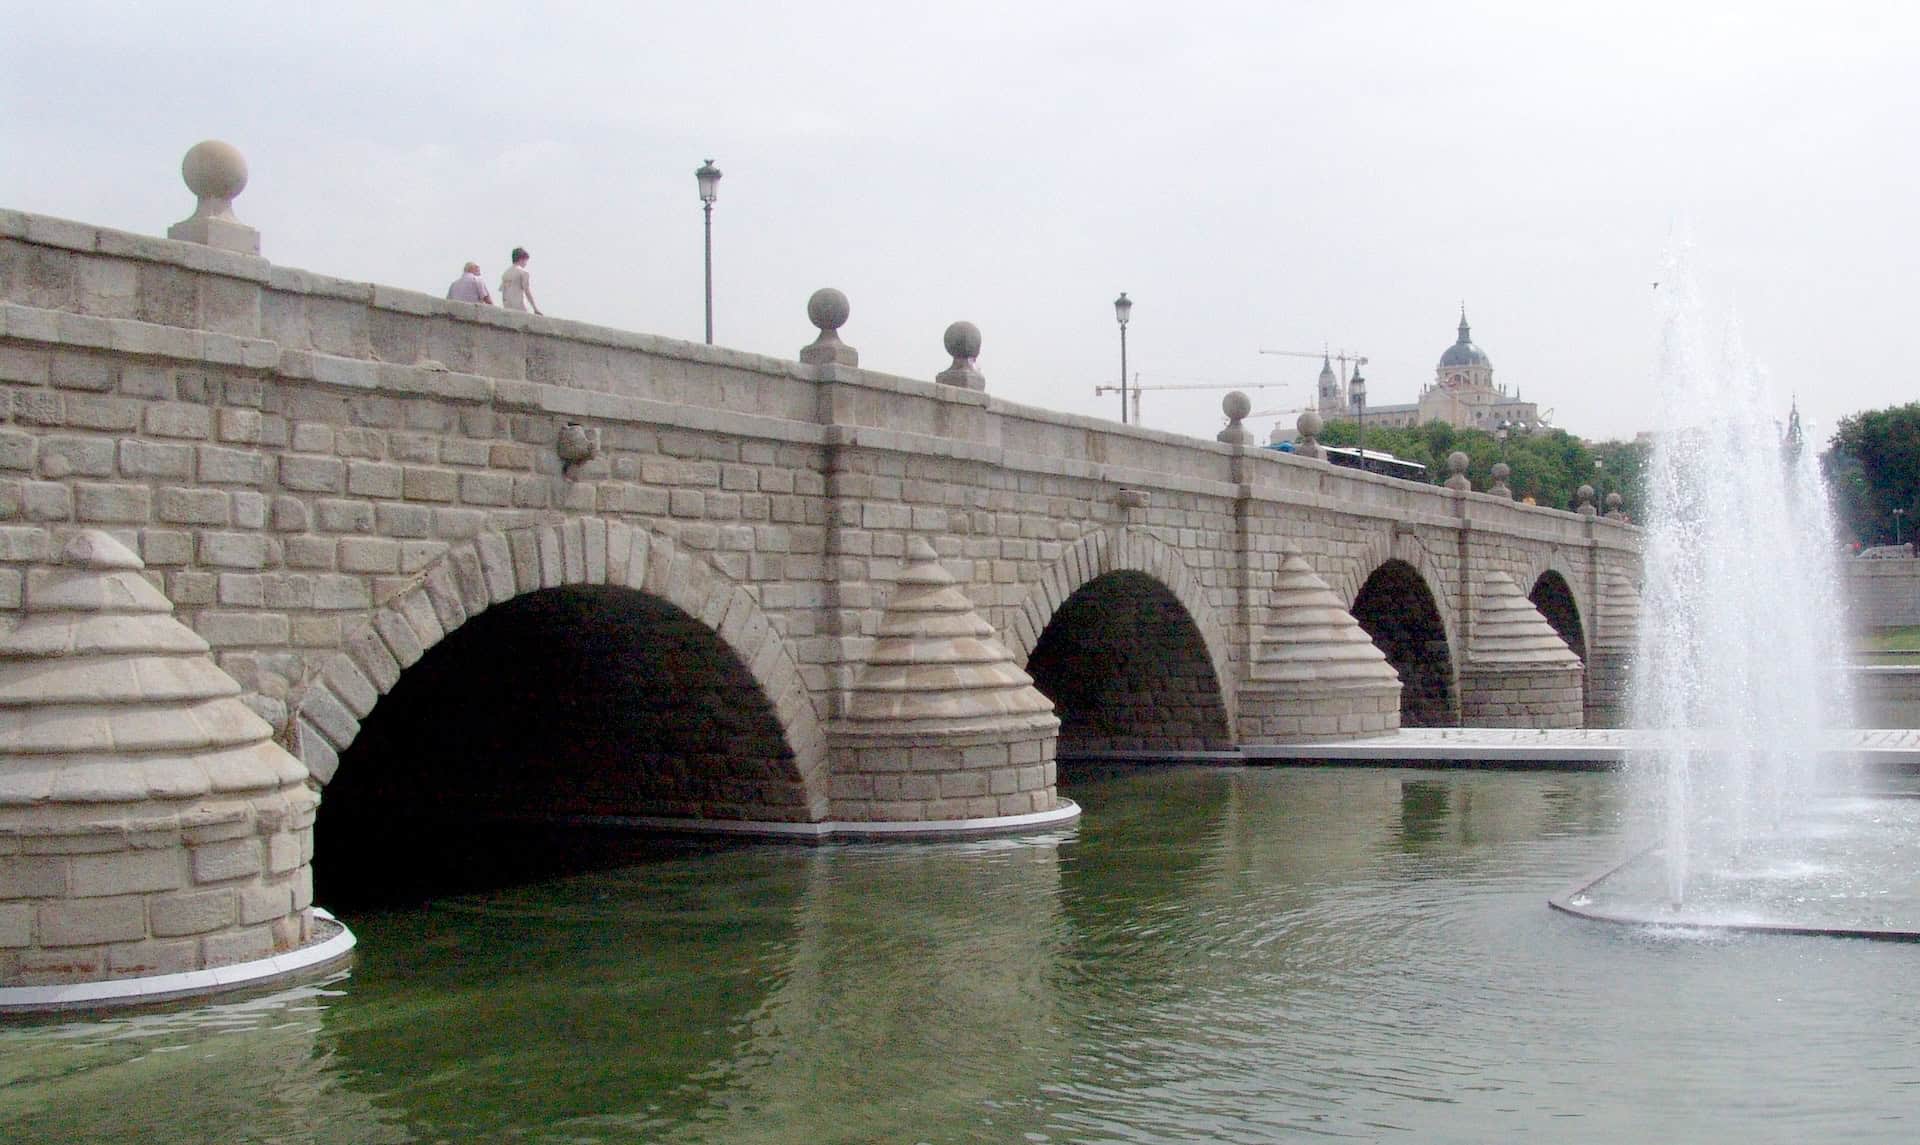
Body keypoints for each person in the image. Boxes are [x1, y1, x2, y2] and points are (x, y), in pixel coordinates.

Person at [500, 247, 541, 315]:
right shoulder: (523, 272)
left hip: (508, 307)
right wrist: (535, 308)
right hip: (520, 307)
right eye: (526, 261)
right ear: (521, 259)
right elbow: (527, 291)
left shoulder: (505, 273)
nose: (526, 263)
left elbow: (504, 293)